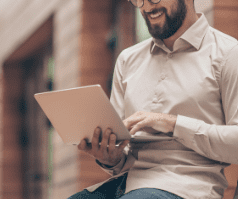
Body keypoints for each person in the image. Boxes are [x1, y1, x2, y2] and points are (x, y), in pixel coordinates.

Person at [68, 0, 238, 198]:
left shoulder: (229, 54)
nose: (147, 7)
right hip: (128, 184)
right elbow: (122, 154)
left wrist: (172, 123)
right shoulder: (127, 60)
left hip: (187, 187)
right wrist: (109, 157)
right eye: (138, 0)